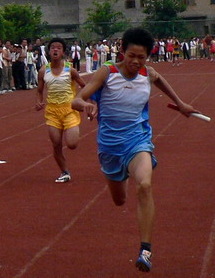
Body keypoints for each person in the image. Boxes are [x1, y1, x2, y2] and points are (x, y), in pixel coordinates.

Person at [71, 27, 199, 273]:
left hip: (137, 141)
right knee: (119, 200)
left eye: (141, 57)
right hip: (109, 147)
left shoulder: (147, 73)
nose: (136, 61)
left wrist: (181, 103)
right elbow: (76, 99)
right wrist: (85, 105)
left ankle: (146, 250)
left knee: (145, 185)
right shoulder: (106, 73)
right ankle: (122, 176)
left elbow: (159, 79)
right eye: (132, 55)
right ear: (122, 51)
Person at [36, 38, 87, 183]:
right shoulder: (43, 71)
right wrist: (38, 101)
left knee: (72, 144)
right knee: (56, 143)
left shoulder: (70, 70)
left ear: (63, 52)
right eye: (52, 48)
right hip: (52, 112)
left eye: (58, 48)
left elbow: (85, 86)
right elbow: (39, 91)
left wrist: (87, 101)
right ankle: (64, 171)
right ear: (49, 51)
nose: (55, 50)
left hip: (69, 109)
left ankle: (71, 130)